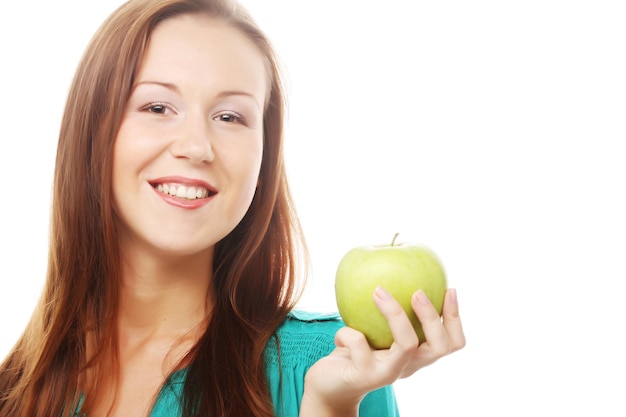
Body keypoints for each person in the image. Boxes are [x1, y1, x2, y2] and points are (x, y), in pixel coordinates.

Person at [0, 0, 465, 416]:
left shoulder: (332, 366)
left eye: (230, 117)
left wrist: (330, 407)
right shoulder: (15, 390)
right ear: (91, 130)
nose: (197, 146)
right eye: (158, 107)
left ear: (264, 158)